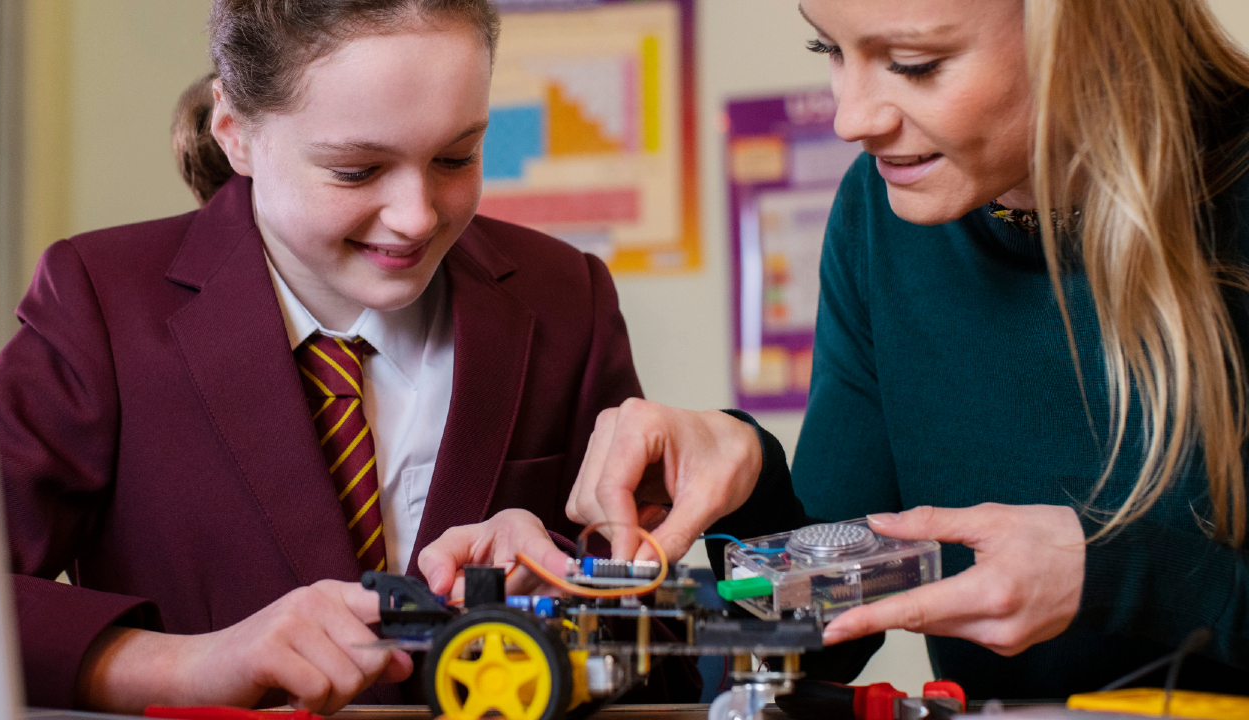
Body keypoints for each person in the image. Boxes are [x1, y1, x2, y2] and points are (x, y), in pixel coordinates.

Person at [421, 0, 1249, 699]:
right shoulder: (881, 212)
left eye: (916, 65)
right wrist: (746, 473)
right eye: (829, 49)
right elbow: (816, 635)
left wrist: (1118, 579)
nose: (852, 117)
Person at [0, 0, 697, 712]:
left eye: (456, 157)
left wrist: (564, 585)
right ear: (234, 131)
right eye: (357, 171)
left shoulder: (565, 299)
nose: (416, 216)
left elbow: (659, 633)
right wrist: (183, 665)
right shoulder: (101, 304)